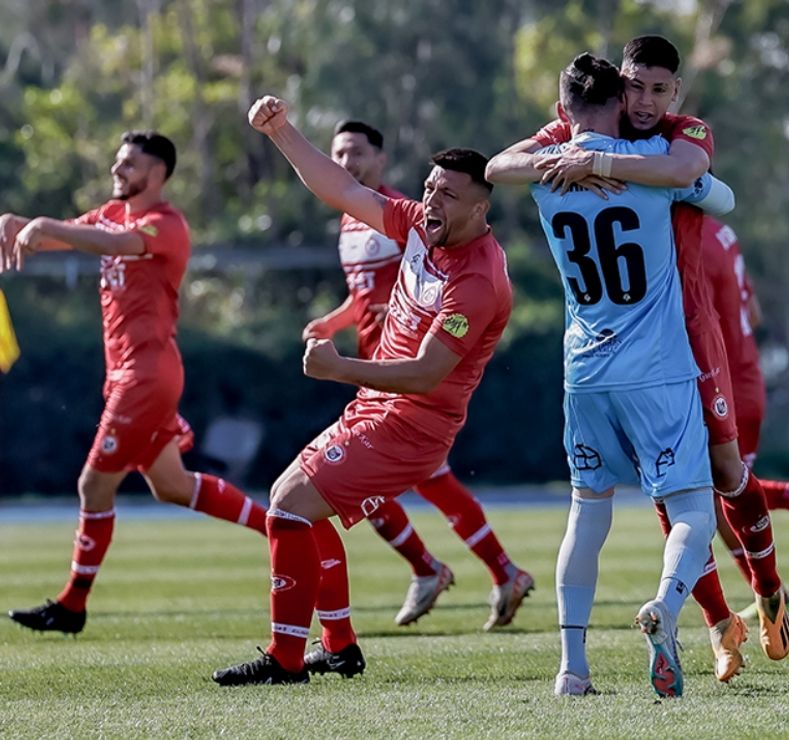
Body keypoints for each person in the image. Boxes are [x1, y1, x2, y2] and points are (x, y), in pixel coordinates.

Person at [488, 34, 789, 684]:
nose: (645, 100)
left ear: (676, 93)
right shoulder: (621, 143)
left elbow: (694, 181)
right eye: (635, 86)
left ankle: (768, 591)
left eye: (658, 90)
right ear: (619, 85)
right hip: (658, 350)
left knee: (721, 472)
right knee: (681, 497)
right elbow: (710, 196)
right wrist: (593, 157)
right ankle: (719, 625)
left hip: (673, 337)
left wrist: (586, 162)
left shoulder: (679, 135)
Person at [213, 96, 517, 686]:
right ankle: (341, 646)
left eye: (448, 195)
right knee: (295, 504)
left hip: (412, 428)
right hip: (380, 410)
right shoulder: (419, 225)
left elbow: (428, 373)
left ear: (482, 210)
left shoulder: (479, 279)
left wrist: (338, 367)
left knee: (288, 506)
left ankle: (285, 659)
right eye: (429, 187)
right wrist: (280, 131)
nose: (431, 201)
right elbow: (341, 191)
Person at [1, 132, 268, 635]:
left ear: (159, 174)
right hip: (128, 374)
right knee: (172, 486)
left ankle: (72, 604)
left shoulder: (165, 225)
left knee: (92, 485)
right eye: (117, 161)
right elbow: (65, 237)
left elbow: (119, 244)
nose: (117, 171)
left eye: (129, 165)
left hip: (145, 378)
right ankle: (280, 527)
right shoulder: (110, 213)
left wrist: (47, 225)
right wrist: (19, 226)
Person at [309, 119, 531, 630]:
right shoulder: (353, 222)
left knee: (355, 486)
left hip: (406, 377)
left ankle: (441, 569)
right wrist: (336, 322)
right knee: (406, 484)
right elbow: (366, 294)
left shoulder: (415, 219)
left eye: (358, 154)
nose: (347, 163)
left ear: (381, 160)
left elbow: (431, 288)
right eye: (339, 152)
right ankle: (473, 569)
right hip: (374, 370)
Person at [697, 216, 789, 601]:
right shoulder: (719, 231)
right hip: (743, 373)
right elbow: (751, 312)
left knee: (720, 496)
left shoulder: (685, 240)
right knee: (717, 495)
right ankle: (773, 592)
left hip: (725, 382)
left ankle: (772, 592)